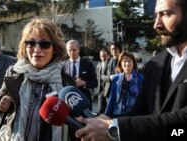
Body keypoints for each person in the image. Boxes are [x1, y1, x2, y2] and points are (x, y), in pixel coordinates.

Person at [75, 0, 187, 141]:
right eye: (156, 15)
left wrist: (116, 129)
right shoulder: (154, 64)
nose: (156, 24)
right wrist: (106, 120)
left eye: (165, 14)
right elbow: (142, 112)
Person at [0, 18, 76, 141]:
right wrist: (1, 102)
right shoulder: (14, 72)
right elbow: (1, 96)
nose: (37, 50)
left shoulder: (67, 82)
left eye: (44, 44)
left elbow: (74, 125)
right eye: (31, 43)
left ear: (55, 48)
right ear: (24, 46)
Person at [62, 39, 98, 110]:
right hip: (68, 101)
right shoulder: (63, 65)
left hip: (84, 99)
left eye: (74, 50)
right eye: (70, 50)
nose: (72, 52)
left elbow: (95, 83)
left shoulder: (87, 64)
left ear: (78, 50)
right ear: (67, 51)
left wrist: (83, 83)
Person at [105, 51, 143, 117]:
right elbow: (112, 98)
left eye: (129, 61)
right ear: (121, 64)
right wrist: (107, 115)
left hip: (135, 115)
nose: (127, 63)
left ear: (133, 63)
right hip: (118, 114)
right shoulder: (116, 78)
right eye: (124, 61)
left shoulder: (141, 78)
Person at [94, 48, 110, 114]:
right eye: (102, 56)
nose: (103, 57)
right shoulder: (98, 65)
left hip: (108, 90)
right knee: (100, 110)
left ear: (108, 56)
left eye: (105, 56)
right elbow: (98, 78)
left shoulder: (110, 64)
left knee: (108, 110)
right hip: (100, 90)